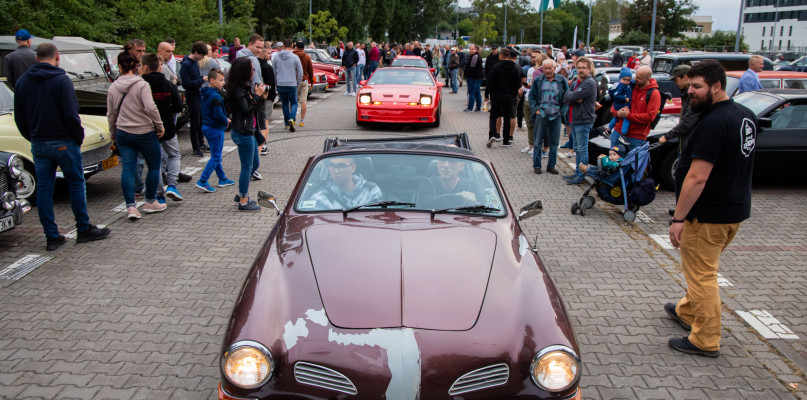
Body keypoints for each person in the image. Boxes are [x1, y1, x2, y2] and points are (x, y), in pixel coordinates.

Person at [666, 59, 757, 358]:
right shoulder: (745, 115)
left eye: (696, 87)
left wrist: (679, 218)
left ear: (716, 87)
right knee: (704, 269)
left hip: (707, 215)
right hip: (733, 210)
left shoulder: (714, 123)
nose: (689, 91)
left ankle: (705, 339)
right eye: (689, 85)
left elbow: (697, 176)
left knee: (702, 276)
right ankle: (687, 311)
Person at [14, 43, 110, 250]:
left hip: (39, 142)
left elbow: (19, 116)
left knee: (45, 190)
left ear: (36, 58)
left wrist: (32, 137)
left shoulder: (23, 81)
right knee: (76, 183)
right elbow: (70, 113)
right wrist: (77, 136)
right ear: (57, 57)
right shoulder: (61, 80)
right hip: (64, 140)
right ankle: (83, 228)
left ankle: (52, 236)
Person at [107, 50, 167, 220]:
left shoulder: (113, 87)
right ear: (137, 66)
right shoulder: (141, 85)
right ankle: (150, 201)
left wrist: (113, 134)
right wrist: (159, 125)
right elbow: (150, 107)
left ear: (119, 66)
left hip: (123, 132)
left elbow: (111, 114)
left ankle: (131, 207)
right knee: (153, 166)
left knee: (127, 168)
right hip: (144, 131)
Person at [140, 53, 184, 204]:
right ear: (159, 67)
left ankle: (159, 194)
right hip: (168, 127)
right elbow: (179, 106)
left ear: (144, 66)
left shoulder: (140, 85)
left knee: (155, 162)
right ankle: (172, 185)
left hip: (148, 128)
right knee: (174, 155)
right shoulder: (169, 85)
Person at [228, 58, 269, 211]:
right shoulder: (237, 91)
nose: (253, 73)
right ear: (244, 71)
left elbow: (254, 109)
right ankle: (243, 201)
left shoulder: (244, 88)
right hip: (242, 132)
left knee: (255, 164)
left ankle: (241, 192)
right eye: (251, 70)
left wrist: (260, 97)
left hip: (249, 131)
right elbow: (246, 111)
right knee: (247, 166)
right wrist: (257, 96)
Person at [196, 69, 234, 192]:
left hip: (206, 126)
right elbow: (218, 114)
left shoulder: (205, 93)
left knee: (215, 154)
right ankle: (203, 180)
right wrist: (226, 120)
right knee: (216, 156)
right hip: (215, 128)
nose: (223, 82)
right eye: (221, 80)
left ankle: (222, 178)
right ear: (212, 80)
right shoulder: (215, 96)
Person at [529, 59, 569, 175]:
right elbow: (531, 97)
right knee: (537, 142)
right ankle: (537, 165)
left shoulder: (561, 80)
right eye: (545, 68)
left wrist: (562, 111)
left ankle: (551, 165)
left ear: (554, 68)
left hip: (556, 115)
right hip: (542, 115)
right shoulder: (538, 80)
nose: (547, 70)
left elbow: (567, 97)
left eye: (549, 68)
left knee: (554, 143)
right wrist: (536, 109)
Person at [562, 56, 598, 184]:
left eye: (584, 68)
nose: (581, 70)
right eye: (579, 68)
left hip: (584, 120)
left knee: (582, 149)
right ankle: (577, 172)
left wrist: (573, 96)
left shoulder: (589, 83)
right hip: (575, 119)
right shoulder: (577, 82)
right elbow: (566, 97)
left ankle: (582, 174)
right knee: (577, 148)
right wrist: (573, 96)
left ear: (589, 69)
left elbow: (572, 96)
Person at [609, 66, 660, 150]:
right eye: (636, 76)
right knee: (613, 162)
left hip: (636, 137)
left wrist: (628, 116)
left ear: (648, 79)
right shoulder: (630, 86)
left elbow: (650, 117)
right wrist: (617, 112)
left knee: (632, 162)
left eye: (639, 78)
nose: (635, 79)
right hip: (618, 132)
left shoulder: (654, 93)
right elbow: (615, 103)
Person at [307, 157, 383, 209]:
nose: (336, 171)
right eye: (332, 166)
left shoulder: (371, 190)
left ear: (353, 168)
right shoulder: (320, 197)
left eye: (341, 166)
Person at [486, 47, 521, 148]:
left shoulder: (496, 67)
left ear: (500, 55)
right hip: (508, 96)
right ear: (509, 56)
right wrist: (513, 94)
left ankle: (492, 135)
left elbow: (490, 81)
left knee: (494, 116)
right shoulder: (514, 68)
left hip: (496, 95)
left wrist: (487, 94)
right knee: (507, 117)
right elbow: (517, 83)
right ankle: (506, 141)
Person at [416, 158, 485, 207]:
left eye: (452, 161)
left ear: (461, 166)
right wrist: (459, 196)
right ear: (437, 163)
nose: (446, 165)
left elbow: (483, 212)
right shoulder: (428, 184)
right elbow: (426, 206)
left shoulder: (472, 185)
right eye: (442, 160)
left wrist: (474, 203)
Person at [180, 41, 209, 157]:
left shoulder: (195, 62)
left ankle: (201, 142)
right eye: (201, 55)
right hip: (192, 95)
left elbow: (195, 78)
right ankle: (195, 147)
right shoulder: (186, 64)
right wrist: (202, 80)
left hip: (198, 94)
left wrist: (201, 78)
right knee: (195, 122)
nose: (202, 58)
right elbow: (186, 83)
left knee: (201, 120)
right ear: (196, 52)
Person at [274, 38, 303, 131]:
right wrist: (297, 82)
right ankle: (292, 117)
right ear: (291, 46)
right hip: (291, 84)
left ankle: (286, 123)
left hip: (280, 83)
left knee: (285, 103)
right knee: (294, 102)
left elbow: (274, 71)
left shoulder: (276, 57)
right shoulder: (295, 57)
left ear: (282, 46)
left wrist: (276, 82)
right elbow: (300, 72)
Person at [258, 41, 277, 155]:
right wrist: (272, 97)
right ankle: (263, 145)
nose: (270, 56)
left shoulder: (254, 64)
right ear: (263, 52)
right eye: (269, 53)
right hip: (266, 97)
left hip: (256, 96)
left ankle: (260, 144)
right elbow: (271, 84)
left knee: (259, 122)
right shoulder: (266, 67)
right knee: (265, 122)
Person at [607, 68, 634, 144]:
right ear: (620, 78)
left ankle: (608, 129)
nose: (626, 82)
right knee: (626, 117)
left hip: (619, 105)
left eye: (628, 80)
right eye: (624, 79)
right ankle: (623, 134)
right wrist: (625, 99)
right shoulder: (620, 86)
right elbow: (616, 96)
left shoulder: (626, 85)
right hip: (621, 105)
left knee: (616, 118)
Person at [292, 41, 314, 128]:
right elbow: (310, 70)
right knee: (303, 101)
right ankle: (302, 121)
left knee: (293, 100)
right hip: (304, 80)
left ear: (296, 47)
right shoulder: (307, 57)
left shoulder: (292, 56)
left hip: (294, 81)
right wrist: (311, 81)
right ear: (303, 48)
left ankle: (292, 119)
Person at [463, 45, 484, 113]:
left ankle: (470, 108)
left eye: (472, 49)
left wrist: (467, 75)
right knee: (477, 92)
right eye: (470, 49)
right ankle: (478, 107)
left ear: (476, 50)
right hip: (478, 77)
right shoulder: (478, 56)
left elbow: (472, 68)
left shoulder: (475, 57)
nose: (471, 50)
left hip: (473, 77)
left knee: (472, 92)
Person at [484, 45, 500, 111]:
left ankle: (497, 106)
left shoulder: (499, 57)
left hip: (498, 77)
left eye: (495, 49)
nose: (493, 50)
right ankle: (492, 106)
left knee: (497, 93)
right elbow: (486, 67)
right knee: (491, 93)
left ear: (497, 49)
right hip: (490, 77)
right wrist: (487, 75)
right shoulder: (489, 57)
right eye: (492, 49)